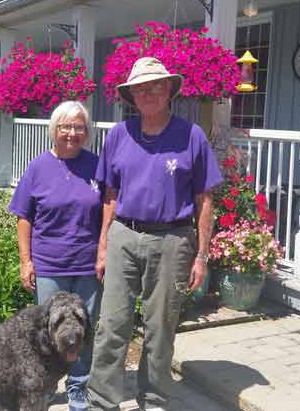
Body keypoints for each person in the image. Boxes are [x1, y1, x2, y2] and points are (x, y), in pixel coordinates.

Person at [88, 58, 222, 411]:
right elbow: (110, 196)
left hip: (172, 240)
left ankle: (154, 399)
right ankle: (102, 401)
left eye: (155, 86)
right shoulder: (119, 135)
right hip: (123, 235)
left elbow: (205, 198)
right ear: (131, 95)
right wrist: (103, 245)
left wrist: (201, 255)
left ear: (169, 91)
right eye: (140, 88)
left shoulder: (190, 136)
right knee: (112, 324)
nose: (147, 92)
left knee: (160, 328)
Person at [8, 101, 103, 411]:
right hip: (50, 265)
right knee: (49, 335)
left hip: (88, 266)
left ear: (86, 132)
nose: (71, 133)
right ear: (54, 130)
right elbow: (24, 217)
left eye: (78, 127)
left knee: (83, 331)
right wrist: (26, 261)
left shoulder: (96, 166)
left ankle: (78, 389)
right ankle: (46, 389)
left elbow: (110, 209)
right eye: (65, 126)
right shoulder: (38, 167)